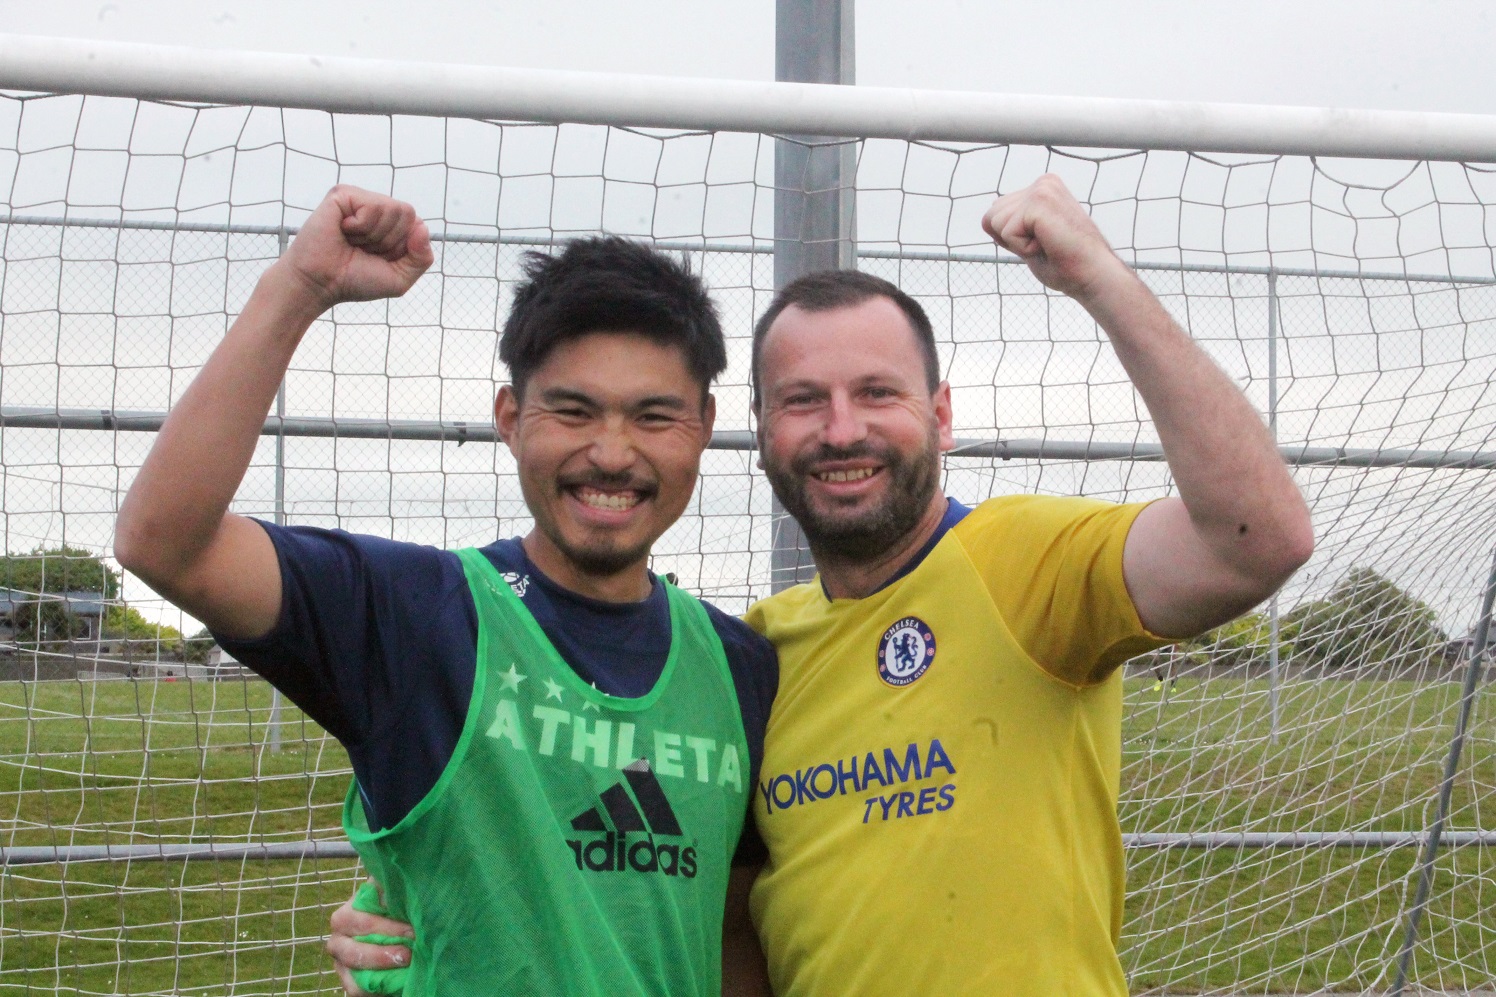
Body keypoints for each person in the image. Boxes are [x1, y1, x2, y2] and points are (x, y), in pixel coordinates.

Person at [327, 174, 1314, 995]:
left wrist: (1097, 279)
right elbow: (658, 879)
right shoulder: (750, 655)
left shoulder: (1028, 565)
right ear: (756, 430)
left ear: (939, 413)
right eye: (803, 400)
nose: (840, 429)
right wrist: (415, 907)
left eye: (876, 393)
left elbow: (1252, 539)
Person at [114, 185, 778, 997]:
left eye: (652, 416)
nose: (611, 452)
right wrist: (299, 287)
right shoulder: (415, 615)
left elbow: (732, 933)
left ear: (704, 427)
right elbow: (165, 543)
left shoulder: (743, 667)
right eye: (572, 410)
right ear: (509, 415)